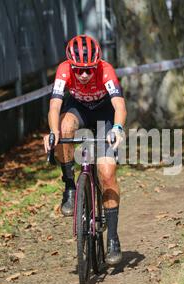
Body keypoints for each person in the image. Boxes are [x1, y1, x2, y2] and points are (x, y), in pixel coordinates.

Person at [43, 35, 127, 265]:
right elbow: (54, 105)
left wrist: (117, 128)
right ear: (70, 66)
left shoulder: (106, 70)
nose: (83, 75)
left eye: (88, 70)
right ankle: (70, 186)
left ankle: (113, 239)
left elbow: (119, 104)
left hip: (104, 114)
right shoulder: (63, 70)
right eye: (78, 70)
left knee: (107, 173)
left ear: (97, 64)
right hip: (78, 108)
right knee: (63, 128)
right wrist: (53, 132)